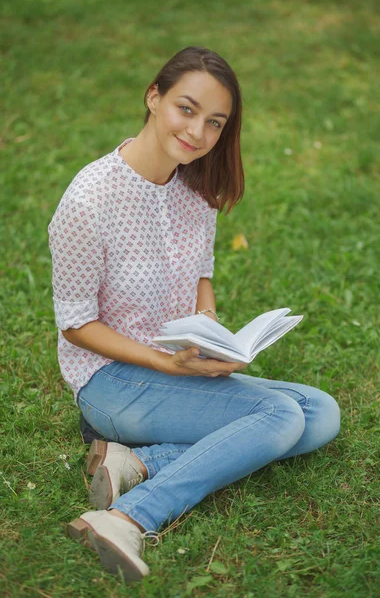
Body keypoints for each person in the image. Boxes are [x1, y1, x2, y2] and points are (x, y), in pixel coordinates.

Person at [48, 46, 340, 583]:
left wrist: (208, 332)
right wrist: (166, 366)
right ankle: (128, 516)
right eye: (187, 109)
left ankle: (136, 463)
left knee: (320, 412)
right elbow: (75, 323)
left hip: (174, 364)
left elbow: (201, 274)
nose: (198, 132)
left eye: (215, 122)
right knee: (280, 416)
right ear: (153, 97)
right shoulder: (88, 201)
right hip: (110, 385)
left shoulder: (195, 188)